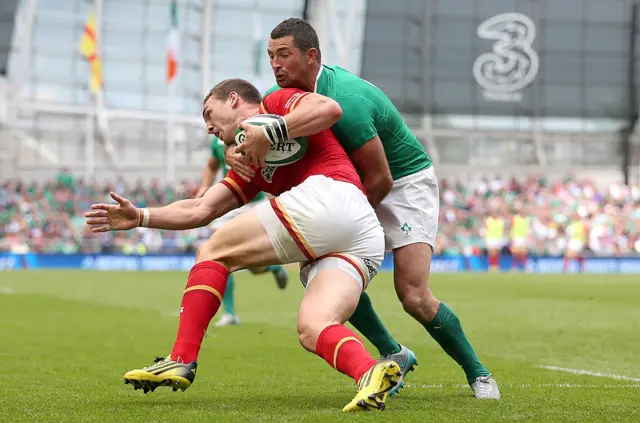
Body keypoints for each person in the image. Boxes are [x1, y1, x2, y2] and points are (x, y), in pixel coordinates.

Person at [85, 79, 402, 412]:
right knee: (314, 327)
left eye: (210, 112)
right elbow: (201, 208)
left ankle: (180, 359)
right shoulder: (249, 166)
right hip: (362, 234)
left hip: (332, 197)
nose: (208, 126)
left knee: (213, 251)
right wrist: (140, 216)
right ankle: (369, 371)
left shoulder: (275, 102)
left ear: (234, 99)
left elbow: (328, 109)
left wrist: (270, 131)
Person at [227, 18, 499, 399]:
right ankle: (394, 352)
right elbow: (248, 126)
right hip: (356, 185)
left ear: (311, 56)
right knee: (323, 273)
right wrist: (232, 149)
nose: (275, 64)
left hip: (404, 182)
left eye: (284, 55)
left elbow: (382, 178)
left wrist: (350, 226)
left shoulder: (348, 103)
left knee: (413, 295)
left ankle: (479, 373)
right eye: (271, 56)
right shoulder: (281, 95)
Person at [195, 136, 289, 326]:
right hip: (229, 203)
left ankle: (272, 267)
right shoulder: (217, 142)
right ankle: (230, 314)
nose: (211, 126)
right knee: (218, 254)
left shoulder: (252, 130)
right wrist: (204, 188)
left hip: (253, 202)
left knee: (254, 265)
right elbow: (212, 166)